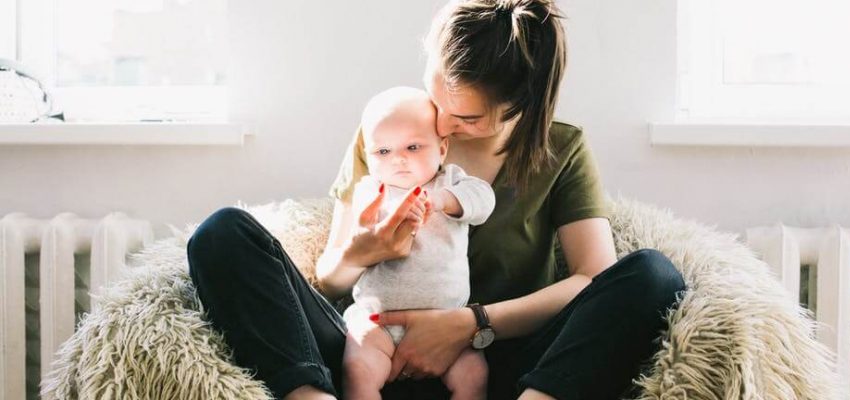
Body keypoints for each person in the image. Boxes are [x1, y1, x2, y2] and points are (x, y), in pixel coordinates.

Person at [186, 0, 686, 399]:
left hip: (495, 366)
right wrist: (363, 253)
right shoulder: (393, 135)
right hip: (368, 356)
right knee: (221, 235)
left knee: (654, 276)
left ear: (522, 107)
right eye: (436, 100)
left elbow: (591, 279)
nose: (442, 126)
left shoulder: (561, 150)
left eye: (467, 118)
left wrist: (471, 326)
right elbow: (329, 282)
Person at [341, 86, 494, 400]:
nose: (398, 160)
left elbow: (484, 201)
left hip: (446, 324)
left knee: (475, 374)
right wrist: (370, 218)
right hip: (377, 321)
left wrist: (441, 201)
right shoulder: (372, 188)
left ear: (442, 149)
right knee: (357, 370)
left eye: (413, 147)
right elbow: (361, 223)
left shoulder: (449, 182)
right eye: (382, 152)